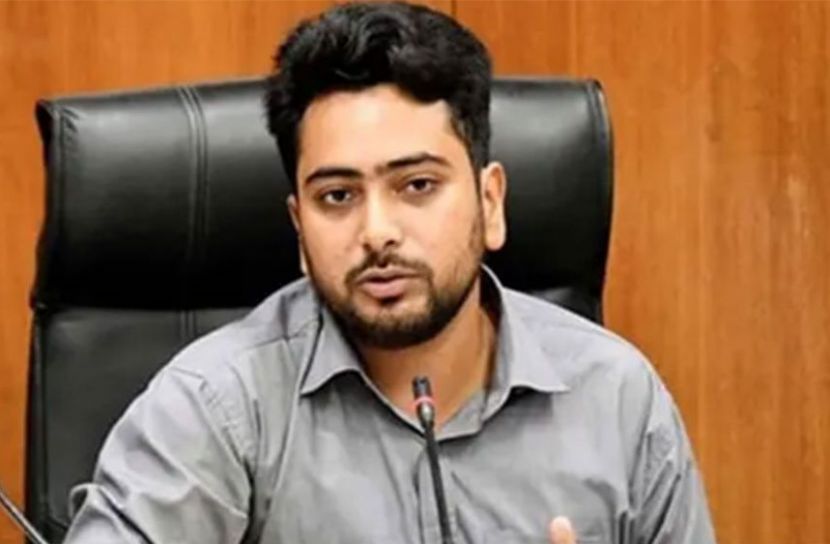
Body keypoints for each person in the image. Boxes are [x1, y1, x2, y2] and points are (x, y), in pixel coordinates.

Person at [63, 2, 716, 543]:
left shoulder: (616, 400)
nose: (377, 231)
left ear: (490, 203)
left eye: (417, 185)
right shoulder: (216, 408)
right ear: (299, 228)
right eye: (337, 196)